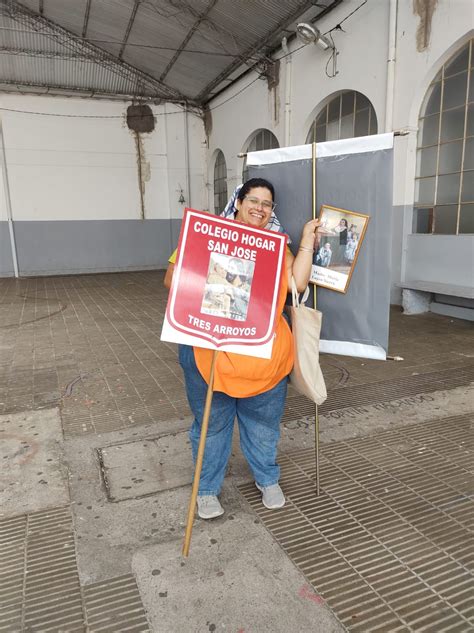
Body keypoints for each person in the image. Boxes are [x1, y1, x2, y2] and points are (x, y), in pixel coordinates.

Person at [164, 178, 320, 519]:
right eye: (253, 200)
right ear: (238, 201)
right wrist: (213, 271)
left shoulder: (279, 246)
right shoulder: (209, 232)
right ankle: (206, 488)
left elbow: (297, 284)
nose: (259, 208)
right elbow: (171, 278)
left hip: (265, 359)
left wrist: (307, 240)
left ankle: (267, 477)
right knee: (211, 424)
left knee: (263, 425)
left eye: (267, 204)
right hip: (211, 354)